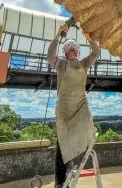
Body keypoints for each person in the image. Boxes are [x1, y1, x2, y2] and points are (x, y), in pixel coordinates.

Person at [47, 24, 100, 188]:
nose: (73, 51)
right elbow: (50, 55)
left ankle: (72, 161)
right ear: (65, 51)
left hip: (80, 104)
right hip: (64, 107)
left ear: (77, 51)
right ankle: (61, 181)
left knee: (87, 126)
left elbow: (96, 53)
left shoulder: (84, 63)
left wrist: (89, 38)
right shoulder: (61, 64)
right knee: (62, 141)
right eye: (70, 49)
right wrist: (57, 35)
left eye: (74, 49)